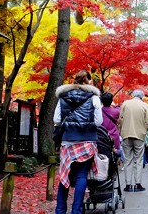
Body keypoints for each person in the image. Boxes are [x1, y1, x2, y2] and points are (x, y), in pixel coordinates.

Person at [53, 70, 103, 214]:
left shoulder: (63, 96)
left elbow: (56, 120)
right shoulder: (94, 98)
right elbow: (98, 122)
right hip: (87, 141)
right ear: (88, 81)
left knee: (65, 175)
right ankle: (77, 210)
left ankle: (60, 210)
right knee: (81, 175)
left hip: (68, 140)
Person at [118, 89, 148, 192]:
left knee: (127, 160)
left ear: (133, 95)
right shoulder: (144, 105)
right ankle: (138, 184)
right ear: (142, 96)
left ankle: (128, 184)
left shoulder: (125, 104)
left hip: (126, 135)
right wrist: (144, 131)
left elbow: (120, 119)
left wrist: (122, 130)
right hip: (139, 135)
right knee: (139, 160)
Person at [100, 92, 121, 158]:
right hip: (114, 137)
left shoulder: (99, 111)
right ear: (111, 101)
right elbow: (119, 109)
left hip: (102, 137)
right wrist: (114, 105)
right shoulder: (116, 111)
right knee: (115, 155)